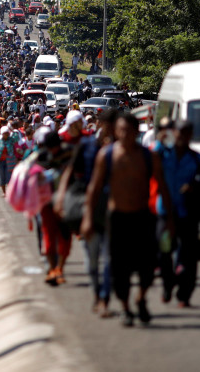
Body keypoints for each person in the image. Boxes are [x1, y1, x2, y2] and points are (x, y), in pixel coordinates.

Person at [82, 114, 173, 327]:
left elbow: (163, 187)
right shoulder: (107, 155)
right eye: (121, 130)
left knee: (147, 266)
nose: (124, 134)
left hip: (142, 217)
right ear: (116, 131)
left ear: (136, 132)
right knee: (119, 267)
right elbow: (94, 189)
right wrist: (88, 219)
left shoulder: (149, 156)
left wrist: (169, 218)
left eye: (129, 130)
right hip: (117, 218)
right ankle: (125, 308)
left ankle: (140, 298)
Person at [55, 109, 117, 317]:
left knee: (110, 258)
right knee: (91, 258)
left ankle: (104, 299)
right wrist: (62, 198)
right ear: (99, 126)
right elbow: (70, 171)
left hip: (114, 208)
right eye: (107, 127)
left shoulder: (125, 150)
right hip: (88, 207)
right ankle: (97, 294)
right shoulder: (87, 146)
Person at [155, 120, 200, 308]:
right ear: (174, 133)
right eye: (179, 132)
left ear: (190, 135)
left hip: (187, 214)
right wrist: (159, 142)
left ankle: (184, 294)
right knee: (164, 252)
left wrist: (193, 187)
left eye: (187, 133)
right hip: (165, 213)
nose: (182, 136)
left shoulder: (197, 159)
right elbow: (150, 159)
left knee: (189, 256)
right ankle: (167, 285)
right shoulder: (163, 153)